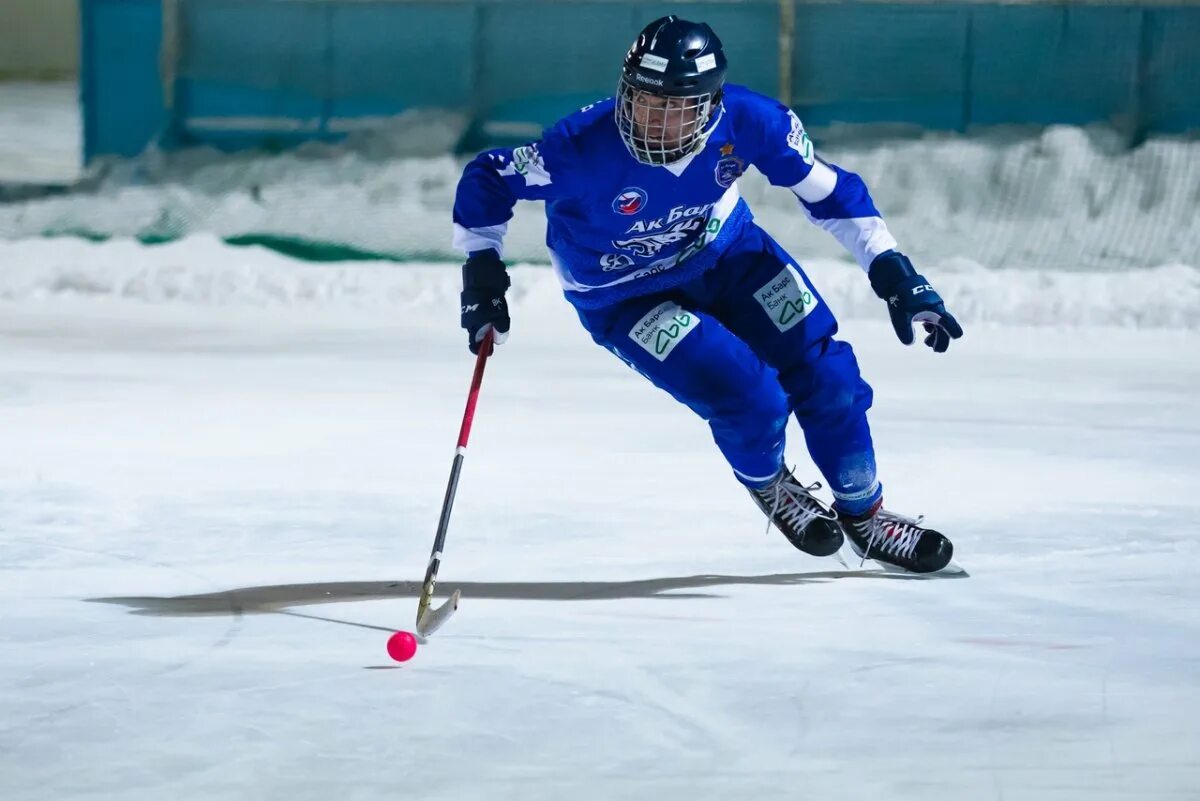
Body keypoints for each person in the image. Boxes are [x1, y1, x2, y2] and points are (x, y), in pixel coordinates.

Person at [451, 15, 963, 573]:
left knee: (829, 377)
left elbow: (833, 193)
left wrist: (893, 269)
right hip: (624, 295)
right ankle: (770, 484)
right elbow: (490, 177)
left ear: (711, 103)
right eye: (644, 100)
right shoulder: (578, 148)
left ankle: (865, 516)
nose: (655, 120)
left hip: (732, 258)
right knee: (749, 396)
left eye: (678, 105)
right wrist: (481, 268)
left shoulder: (752, 121)